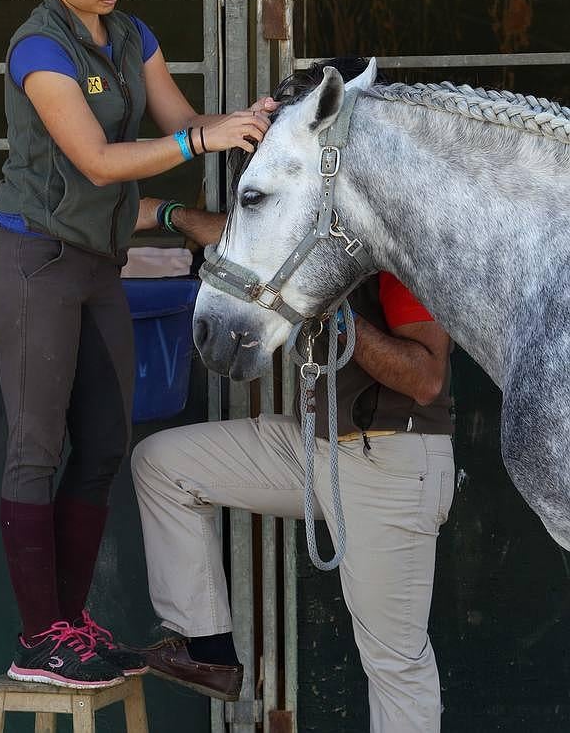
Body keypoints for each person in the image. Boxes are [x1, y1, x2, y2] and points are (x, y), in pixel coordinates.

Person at [0, 0, 277, 690]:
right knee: (35, 451)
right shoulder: (37, 51)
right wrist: (196, 136)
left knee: (105, 443)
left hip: (98, 266)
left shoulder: (132, 34)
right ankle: (37, 640)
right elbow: (101, 162)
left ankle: (69, 626)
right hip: (34, 264)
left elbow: (185, 120)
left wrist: (254, 124)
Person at [130, 59, 456, 731]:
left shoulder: (395, 235)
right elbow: (249, 248)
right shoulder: (314, 225)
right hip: (323, 448)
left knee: (394, 662)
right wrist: (160, 212)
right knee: (162, 463)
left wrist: (333, 316)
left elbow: (426, 377)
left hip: (392, 456)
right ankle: (207, 649)